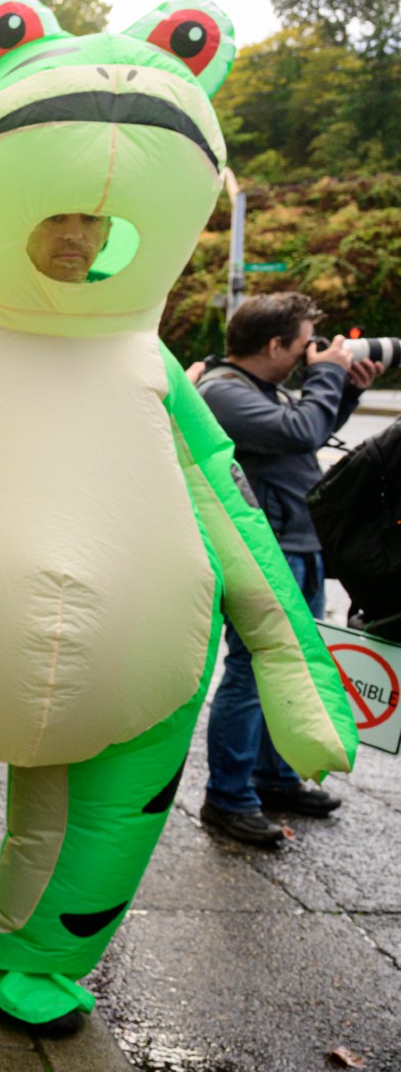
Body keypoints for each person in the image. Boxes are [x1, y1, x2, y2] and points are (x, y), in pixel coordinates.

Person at [197, 292, 380, 845]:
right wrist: (327, 376)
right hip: (266, 553)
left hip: (295, 544)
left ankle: (274, 778)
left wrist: (346, 388)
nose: (312, 354)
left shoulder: (255, 389)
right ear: (275, 344)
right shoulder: (222, 392)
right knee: (253, 672)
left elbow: (306, 432)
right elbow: (298, 431)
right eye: (305, 345)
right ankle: (228, 797)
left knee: (290, 670)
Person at [25, 212, 111, 283]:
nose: (74, 236)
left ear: (106, 232)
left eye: (91, 218)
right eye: (54, 217)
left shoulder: (119, 295)